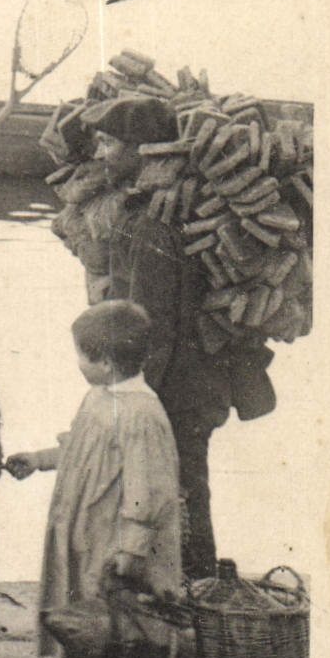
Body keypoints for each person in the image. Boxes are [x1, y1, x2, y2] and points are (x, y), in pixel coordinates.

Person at [60, 96, 271, 580]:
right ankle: (192, 599)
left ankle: (192, 601)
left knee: (181, 493)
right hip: (193, 383)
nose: (101, 154)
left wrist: (131, 397)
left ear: (147, 150)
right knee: (184, 489)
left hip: (178, 389)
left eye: (110, 143)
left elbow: (152, 323)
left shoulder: (155, 221)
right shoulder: (157, 209)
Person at [6, 300, 182, 658]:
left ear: (104, 361)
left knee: (117, 635)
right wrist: (41, 459)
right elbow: (78, 450)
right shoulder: (99, 399)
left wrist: (130, 550)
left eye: (82, 356)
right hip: (88, 538)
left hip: (115, 546)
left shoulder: (142, 414)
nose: (79, 364)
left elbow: (148, 488)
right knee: (87, 631)